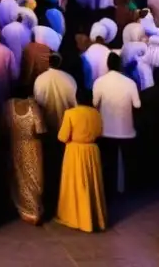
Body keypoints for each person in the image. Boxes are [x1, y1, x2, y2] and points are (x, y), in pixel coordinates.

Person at [53, 88, 106, 232]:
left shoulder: (70, 113)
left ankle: (76, 218)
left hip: (75, 152)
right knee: (92, 183)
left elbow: (62, 137)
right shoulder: (96, 113)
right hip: (92, 151)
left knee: (76, 184)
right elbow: (100, 132)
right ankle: (93, 218)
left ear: (76, 99)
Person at [92, 52, 140, 195]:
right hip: (127, 129)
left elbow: (94, 103)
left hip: (106, 129)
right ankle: (126, 189)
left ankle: (109, 189)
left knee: (108, 162)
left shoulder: (99, 82)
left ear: (107, 65)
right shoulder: (130, 82)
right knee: (126, 162)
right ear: (120, 65)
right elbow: (137, 105)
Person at [4, 96, 46, 225]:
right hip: (33, 148)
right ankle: (34, 211)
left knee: (20, 179)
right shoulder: (33, 106)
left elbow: (5, 126)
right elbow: (40, 128)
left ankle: (25, 210)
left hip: (16, 147)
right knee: (34, 179)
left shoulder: (8, 106)